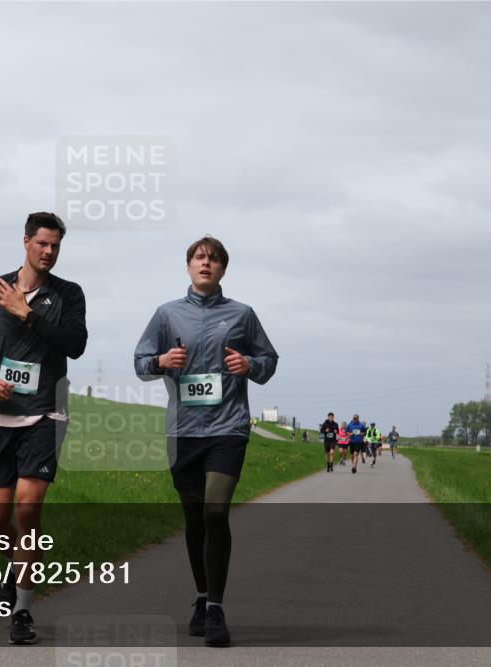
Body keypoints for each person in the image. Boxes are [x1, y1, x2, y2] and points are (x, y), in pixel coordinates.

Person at [134, 236, 278, 647]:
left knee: (216, 511)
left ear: (223, 269)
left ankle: (215, 608)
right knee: (195, 518)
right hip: (183, 430)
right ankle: (200, 597)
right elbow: (141, 362)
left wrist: (249, 364)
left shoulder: (242, 314)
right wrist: (161, 361)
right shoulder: (166, 315)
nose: (206, 264)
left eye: (213, 259)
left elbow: (269, 362)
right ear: (188, 266)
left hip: (227, 427)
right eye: (199, 257)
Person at [0, 212, 87, 645]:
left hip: (46, 412)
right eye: (42, 244)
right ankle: (15, 568)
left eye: (56, 246)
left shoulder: (69, 294)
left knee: (28, 509)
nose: (48, 252)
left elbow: (76, 346)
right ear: (25, 241)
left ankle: (23, 612)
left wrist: (26, 313)